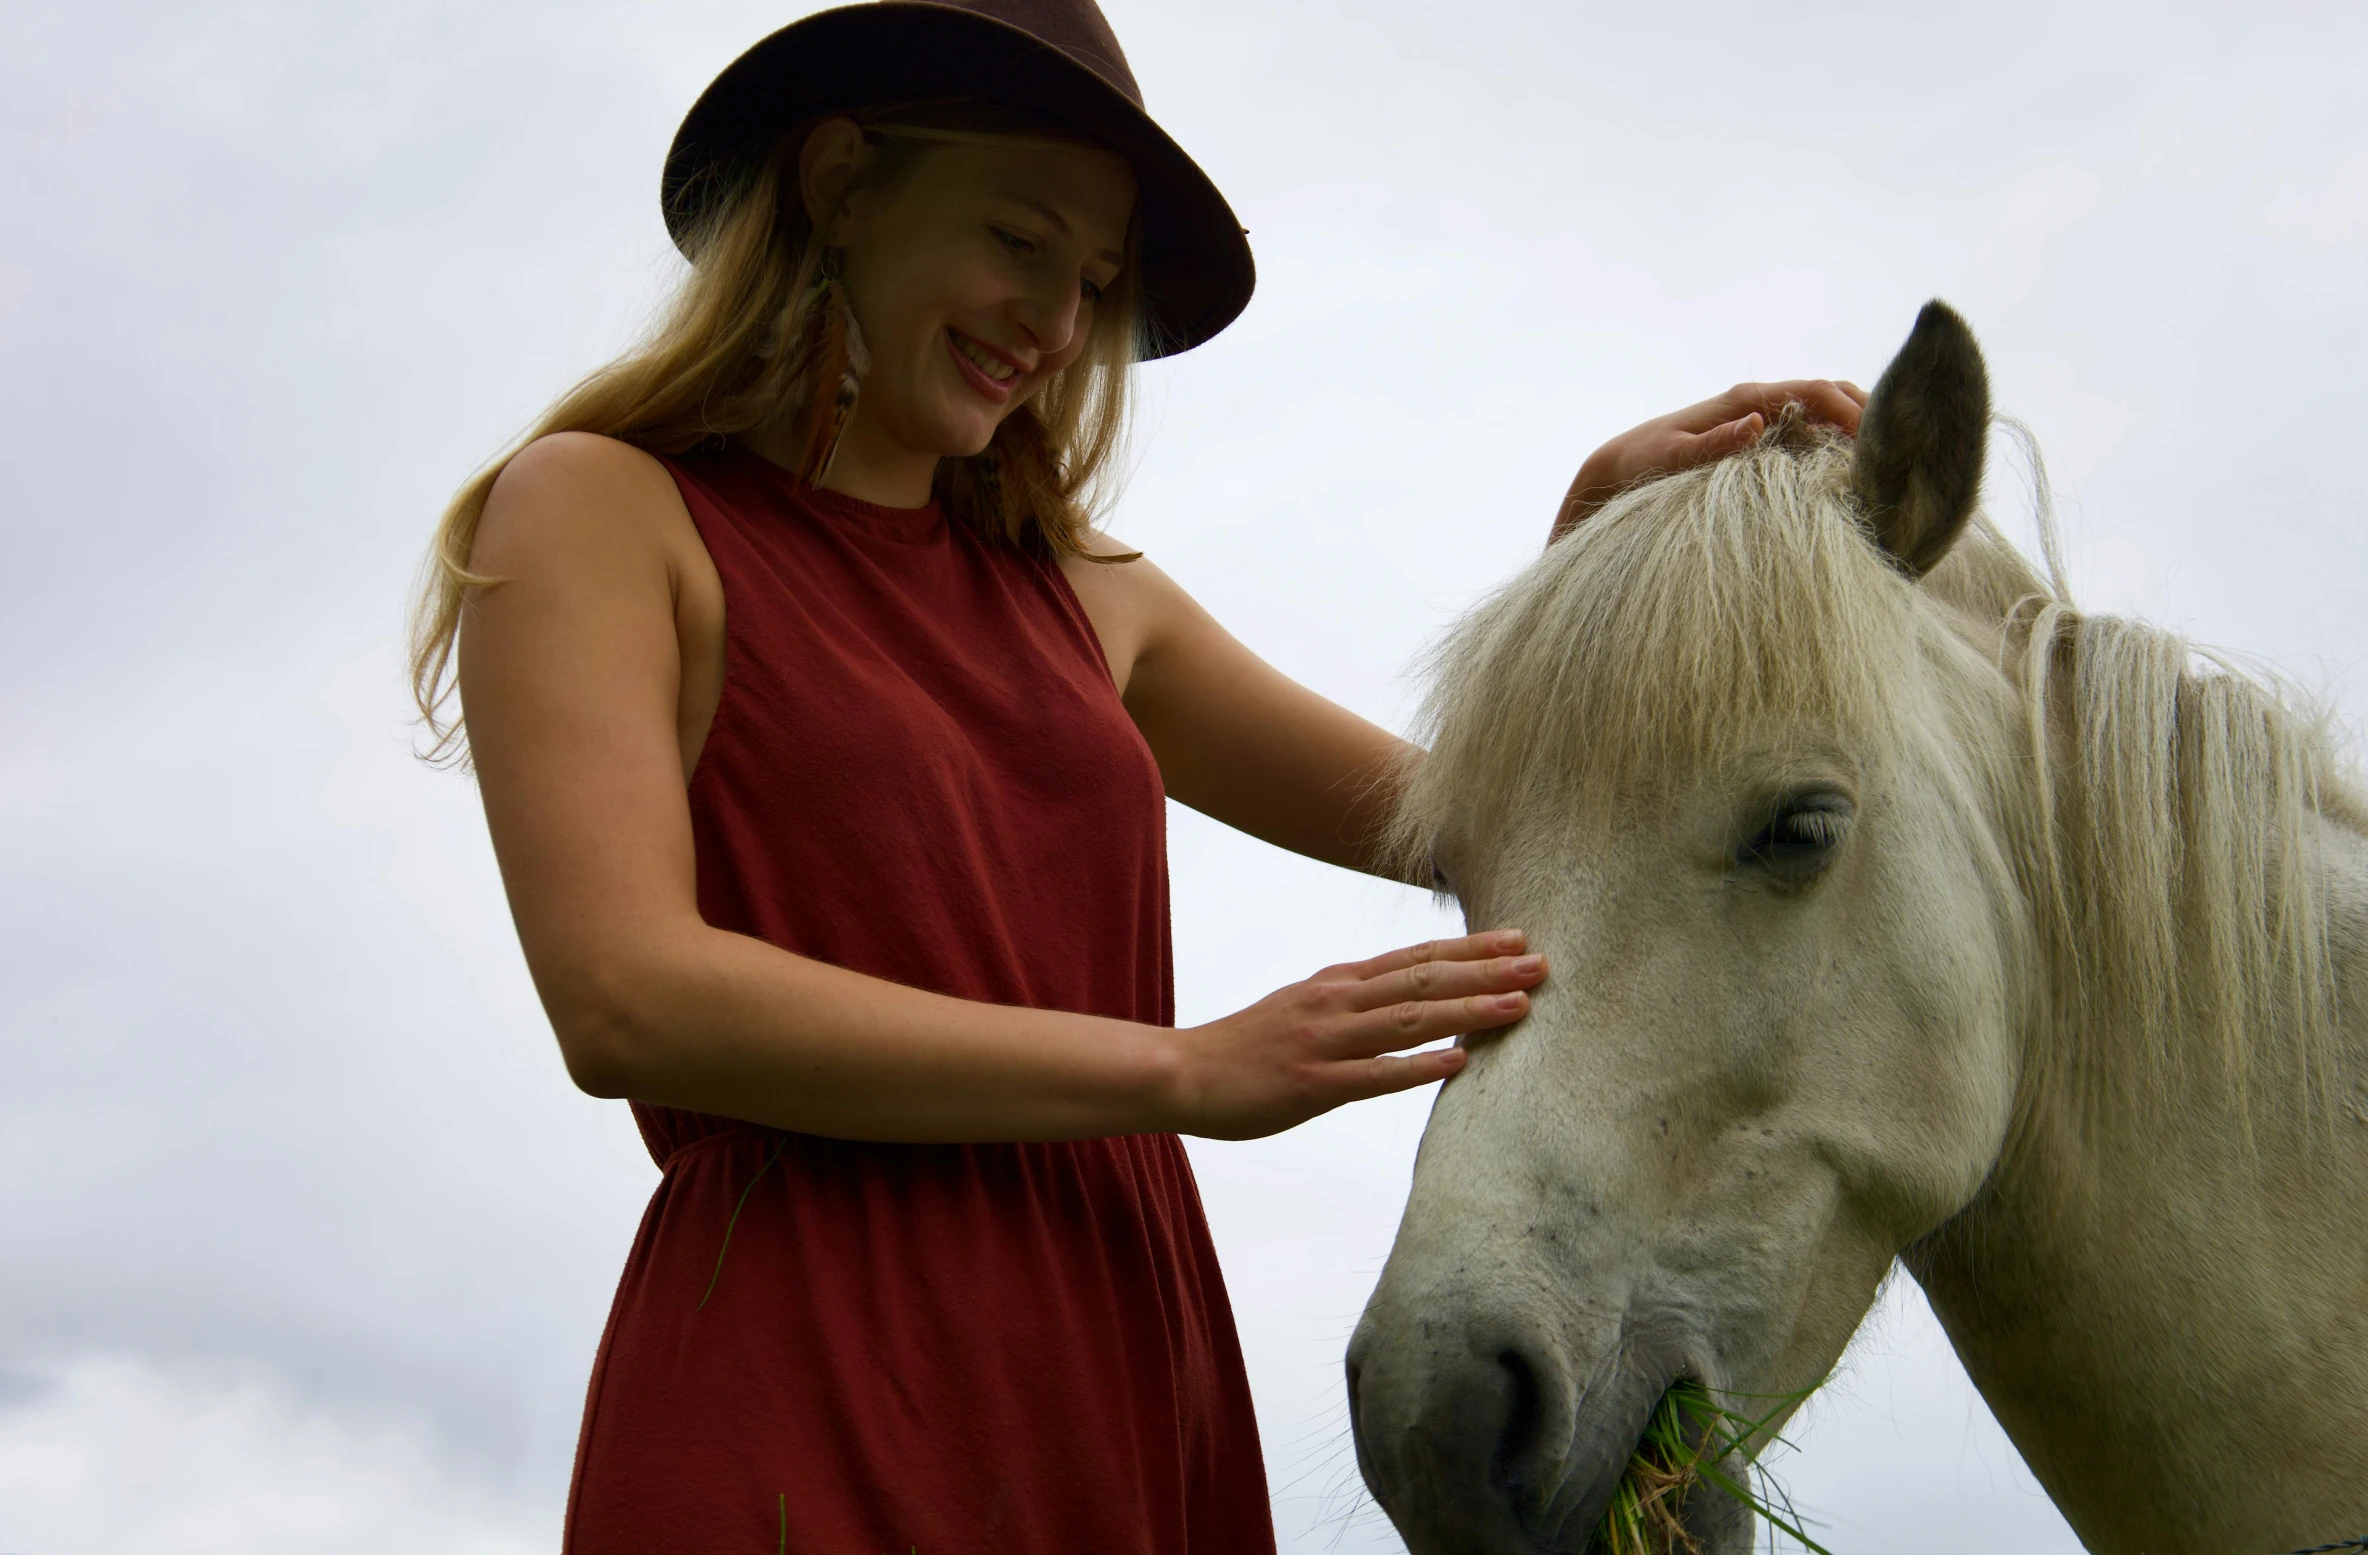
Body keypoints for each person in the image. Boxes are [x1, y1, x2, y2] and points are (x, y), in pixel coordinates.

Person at [408, 1, 1865, 1549]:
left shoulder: (1089, 597)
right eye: (1019, 241)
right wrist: (1180, 1068)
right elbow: (625, 997)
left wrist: (1586, 551)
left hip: (1121, 1370)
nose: (1052, 320)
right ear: (838, 181)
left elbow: (1476, 820)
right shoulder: (597, 513)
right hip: (808, 1362)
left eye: (1092, 282)